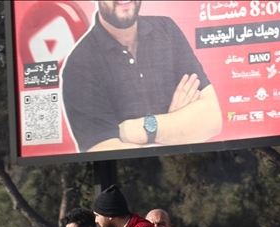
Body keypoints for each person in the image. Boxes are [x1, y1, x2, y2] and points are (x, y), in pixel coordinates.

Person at [61, 0, 222, 153]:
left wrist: (139, 129)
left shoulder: (167, 31)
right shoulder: (80, 65)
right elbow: (102, 149)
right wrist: (176, 126)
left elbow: (212, 119)